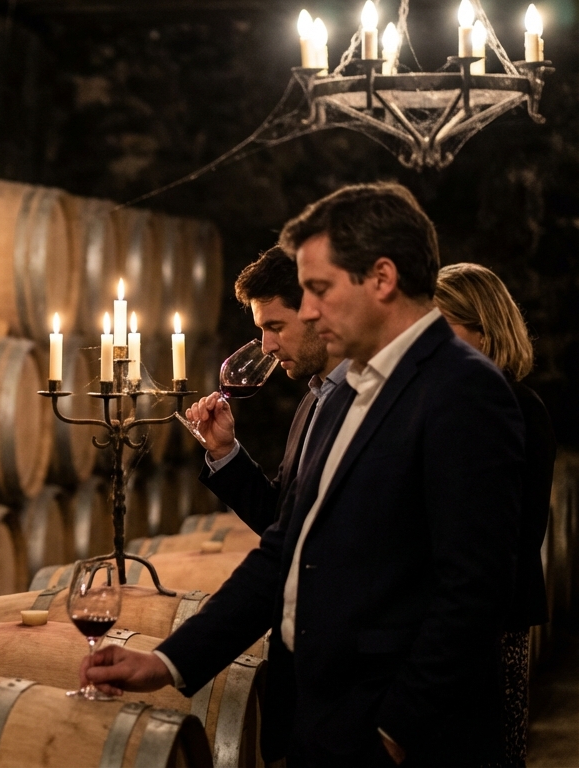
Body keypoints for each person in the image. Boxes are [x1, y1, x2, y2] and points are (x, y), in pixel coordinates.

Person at [81, 183, 525, 767]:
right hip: (325, 725)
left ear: (383, 278)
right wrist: (167, 661)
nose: (308, 311)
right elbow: (285, 551)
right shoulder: (342, 395)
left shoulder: (463, 390)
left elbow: (473, 595)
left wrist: (392, 734)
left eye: (319, 289)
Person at [436, 262, 556, 766]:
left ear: (484, 335)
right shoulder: (455, 401)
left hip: (491, 623)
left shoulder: (515, 409)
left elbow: (513, 537)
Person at [185, 246, 348, 533]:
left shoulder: (370, 402)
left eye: (275, 326)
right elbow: (279, 521)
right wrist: (224, 451)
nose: (266, 346)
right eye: (262, 330)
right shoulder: (314, 399)